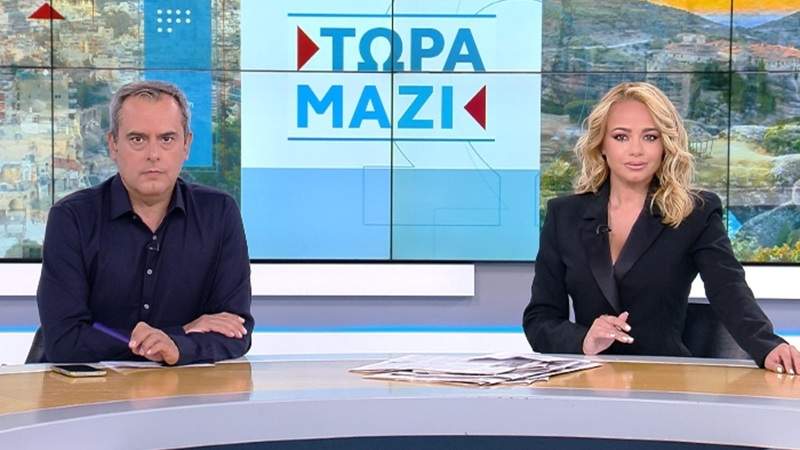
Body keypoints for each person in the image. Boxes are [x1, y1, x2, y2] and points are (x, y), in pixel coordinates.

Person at [523, 81, 800, 374]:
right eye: (621, 136)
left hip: (665, 379)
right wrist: (584, 340)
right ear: (601, 144)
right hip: (587, 381)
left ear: (665, 144)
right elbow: (540, 319)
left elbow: (729, 290)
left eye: (650, 137)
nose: (636, 150)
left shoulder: (696, 213)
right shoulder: (564, 215)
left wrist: (768, 345)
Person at [36, 80, 253, 365]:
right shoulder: (72, 218)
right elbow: (65, 341)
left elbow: (235, 331)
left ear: (186, 145)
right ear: (113, 145)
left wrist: (174, 344)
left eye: (167, 139)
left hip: (185, 389)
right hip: (87, 389)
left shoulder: (219, 213)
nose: (153, 154)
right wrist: (177, 337)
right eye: (138, 139)